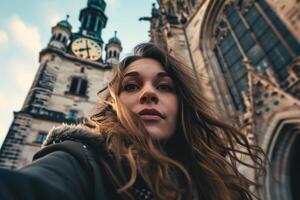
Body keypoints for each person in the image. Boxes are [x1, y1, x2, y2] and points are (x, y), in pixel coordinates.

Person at [0, 43, 265, 200]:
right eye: (131, 85)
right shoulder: (80, 159)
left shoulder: (218, 182)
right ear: (114, 105)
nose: (148, 93)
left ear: (183, 103)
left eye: (164, 86)